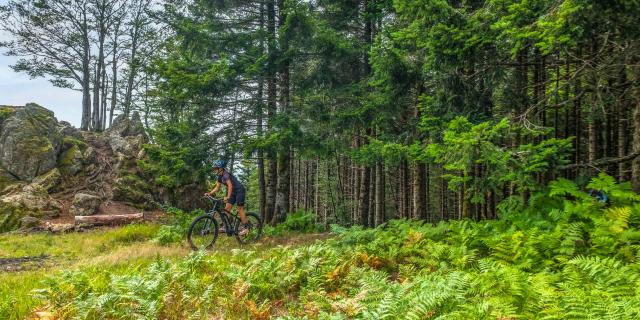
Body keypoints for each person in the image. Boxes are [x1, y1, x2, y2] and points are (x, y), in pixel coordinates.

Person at [204, 160, 250, 235]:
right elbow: (217, 187)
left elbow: (230, 185)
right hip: (233, 192)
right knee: (227, 209)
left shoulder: (225, 174)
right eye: (214, 168)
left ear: (221, 168)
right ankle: (226, 226)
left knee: (240, 208)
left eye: (216, 168)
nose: (214, 170)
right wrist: (210, 193)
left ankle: (246, 227)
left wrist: (228, 197)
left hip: (239, 190)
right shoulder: (220, 176)